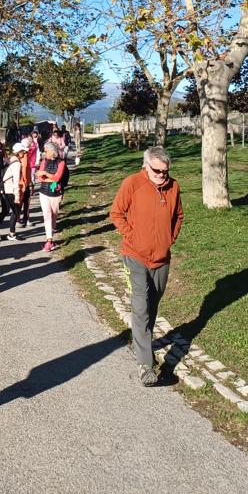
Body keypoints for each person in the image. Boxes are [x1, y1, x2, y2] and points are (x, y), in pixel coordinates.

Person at [109, 146, 183, 387]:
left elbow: (179, 216)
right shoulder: (132, 183)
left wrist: (169, 239)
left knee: (152, 305)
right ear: (146, 166)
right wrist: (132, 237)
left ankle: (142, 340)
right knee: (140, 307)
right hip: (135, 256)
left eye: (165, 171)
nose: (162, 175)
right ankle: (145, 365)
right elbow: (116, 213)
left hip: (162, 258)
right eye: (157, 171)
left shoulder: (173, 186)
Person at [35, 140, 67, 253]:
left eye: (46, 151)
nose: (44, 153)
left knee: (54, 214)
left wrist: (45, 174)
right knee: (47, 215)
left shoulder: (61, 163)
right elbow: (39, 177)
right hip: (43, 192)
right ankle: (49, 240)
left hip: (56, 193)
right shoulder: (44, 161)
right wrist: (50, 178)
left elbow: (57, 178)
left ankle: (51, 233)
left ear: (52, 152)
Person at [0, 142, 25, 240]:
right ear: (18, 152)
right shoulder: (17, 164)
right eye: (23, 151)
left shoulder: (10, 160)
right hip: (10, 190)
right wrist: (17, 196)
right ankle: (12, 234)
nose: (24, 153)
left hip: (5, 188)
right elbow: (16, 180)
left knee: (6, 210)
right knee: (16, 211)